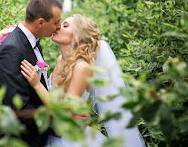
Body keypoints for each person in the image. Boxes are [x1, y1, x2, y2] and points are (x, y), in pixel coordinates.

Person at [21, 14, 146, 147]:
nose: (57, 27)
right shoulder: (60, 60)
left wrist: (36, 84)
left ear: (77, 36)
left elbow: (64, 110)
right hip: (50, 134)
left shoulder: (82, 66)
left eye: (65, 25)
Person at [0, 0, 62, 146]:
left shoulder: (32, 42)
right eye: (56, 22)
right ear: (40, 22)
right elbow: (18, 108)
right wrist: (59, 124)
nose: (59, 26)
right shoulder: (12, 49)